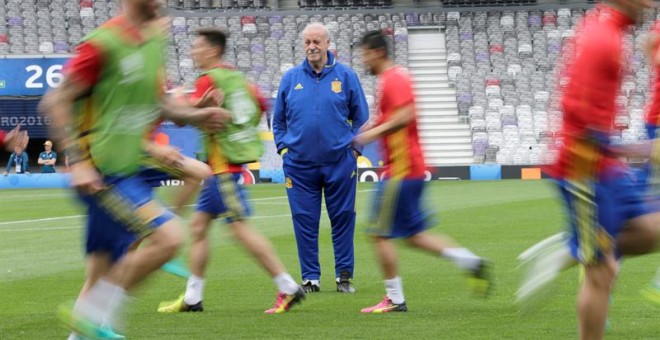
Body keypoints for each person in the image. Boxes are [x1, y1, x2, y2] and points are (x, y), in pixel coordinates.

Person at [39, 0, 227, 338]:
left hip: (126, 168)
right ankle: (95, 314)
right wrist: (79, 164)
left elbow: (162, 103)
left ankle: (85, 325)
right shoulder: (103, 44)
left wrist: (200, 115)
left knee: (100, 271)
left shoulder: (153, 44)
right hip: (100, 172)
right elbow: (55, 100)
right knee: (169, 237)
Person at [516, 2, 660, 339]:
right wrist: (641, 150)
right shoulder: (602, 40)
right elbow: (582, 124)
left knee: (648, 232)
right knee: (602, 270)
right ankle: (579, 252)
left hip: (604, 166)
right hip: (582, 169)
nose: (650, 4)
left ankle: (568, 250)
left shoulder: (611, 30)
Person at [157, 28, 304, 315]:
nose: (192, 51)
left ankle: (287, 285)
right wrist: (241, 130)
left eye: (197, 47)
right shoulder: (238, 79)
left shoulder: (208, 80)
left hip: (222, 165)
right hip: (222, 165)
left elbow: (189, 119)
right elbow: (261, 106)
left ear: (212, 50)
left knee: (239, 229)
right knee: (199, 227)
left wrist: (201, 109)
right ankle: (192, 297)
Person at [353, 30, 492, 314]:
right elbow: (395, 114)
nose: (363, 60)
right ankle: (469, 261)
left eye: (365, 54)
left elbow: (405, 116)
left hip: (401, 171)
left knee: (379, 234)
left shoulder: (394, 78)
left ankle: (394, 298)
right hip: (411, 169)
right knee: (414, 236)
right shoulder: (393, 78)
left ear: (377, 52)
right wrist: (372, 126)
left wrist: (369, 136)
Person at [273, 22, 369, 293]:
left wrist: (355, 151)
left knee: (343, 218)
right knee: (304, 221)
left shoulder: (346, 76)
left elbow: (361, 118)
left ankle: (344, 277)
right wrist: (283, 149)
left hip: (340, 162)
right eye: (307, 42)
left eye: (317, 41)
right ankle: (310, 278)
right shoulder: (290, 78)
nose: (312, 47)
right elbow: (278, 120)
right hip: (300, 166)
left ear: (328, 44)